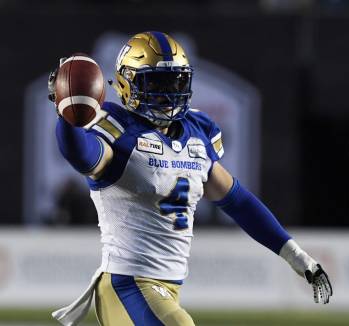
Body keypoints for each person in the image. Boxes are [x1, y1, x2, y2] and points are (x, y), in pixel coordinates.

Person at [49, 31, 332, 326]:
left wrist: (296, 256)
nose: (169, 93)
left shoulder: (197, 133)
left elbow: (238, 202)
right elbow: (81, 154)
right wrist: (67, 115)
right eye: (156, 83)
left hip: (168, 289)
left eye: (176, 82)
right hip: (128, 285)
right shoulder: (117, 132)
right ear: (125, 83)